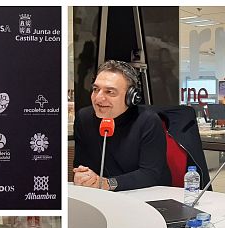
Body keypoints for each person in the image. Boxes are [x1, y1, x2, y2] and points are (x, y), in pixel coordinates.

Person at [72, 60, 170, 191]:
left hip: (145, 196)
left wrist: (108, 183)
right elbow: (81, 164)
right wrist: (83, 176)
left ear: (131, 97)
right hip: (101, 196)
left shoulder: (148, 121)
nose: (98, 98)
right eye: (96, 89)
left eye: (110, 92)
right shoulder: (83, 118)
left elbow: (150, 174)